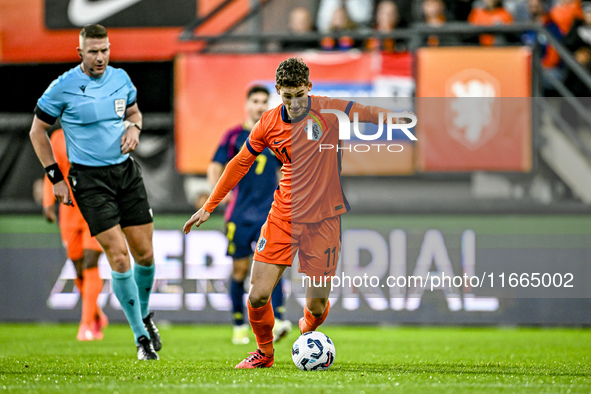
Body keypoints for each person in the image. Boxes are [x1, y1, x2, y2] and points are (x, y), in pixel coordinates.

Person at [184, 57, 409, 368]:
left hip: (324, 220)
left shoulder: (328, 109)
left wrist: (397, 120)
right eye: (287, 96)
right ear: (279, 91)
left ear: (309, 88)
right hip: (283, 215)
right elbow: (239, 163)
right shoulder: (268, 123)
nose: (293, 103)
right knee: (258, 295)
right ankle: (264, 354)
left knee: (316, 306)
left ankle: (307, 332)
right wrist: (209, 205)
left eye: (299, 95)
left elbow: (366, 112)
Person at [29, 24, 161, 361]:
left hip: (126, 174)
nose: (100, 57)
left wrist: (134, 127)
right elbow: (37, 131)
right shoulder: (63, 87)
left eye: (104, 50)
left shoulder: (121, 79)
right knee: (119, 257)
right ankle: (140, 338)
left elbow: (134, 113)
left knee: (144, 255)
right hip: (89, 181)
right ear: (80, 53)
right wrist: (55, 177)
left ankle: (144, 315)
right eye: (93, 51)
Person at [207, 85, 292, 345]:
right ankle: (239, 325)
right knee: (240, 270)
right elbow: (215, 165)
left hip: (269, 213)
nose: (259, 106)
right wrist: (220, 193)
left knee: (272, 267)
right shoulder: (234, 136)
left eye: (264, 101)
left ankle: (277, 321)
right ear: (247, 104)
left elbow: (283, 168)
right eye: (255, 101)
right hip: (240, 214)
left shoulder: (274, 133)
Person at [43, 128, 108, 341]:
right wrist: (48, 202)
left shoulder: (97, 131)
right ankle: (96, 314)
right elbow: (52, 169)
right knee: (78, 267)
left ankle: (86, 324)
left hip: (95, 207)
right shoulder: (57, 137)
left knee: (91, 262)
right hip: (69, 210)